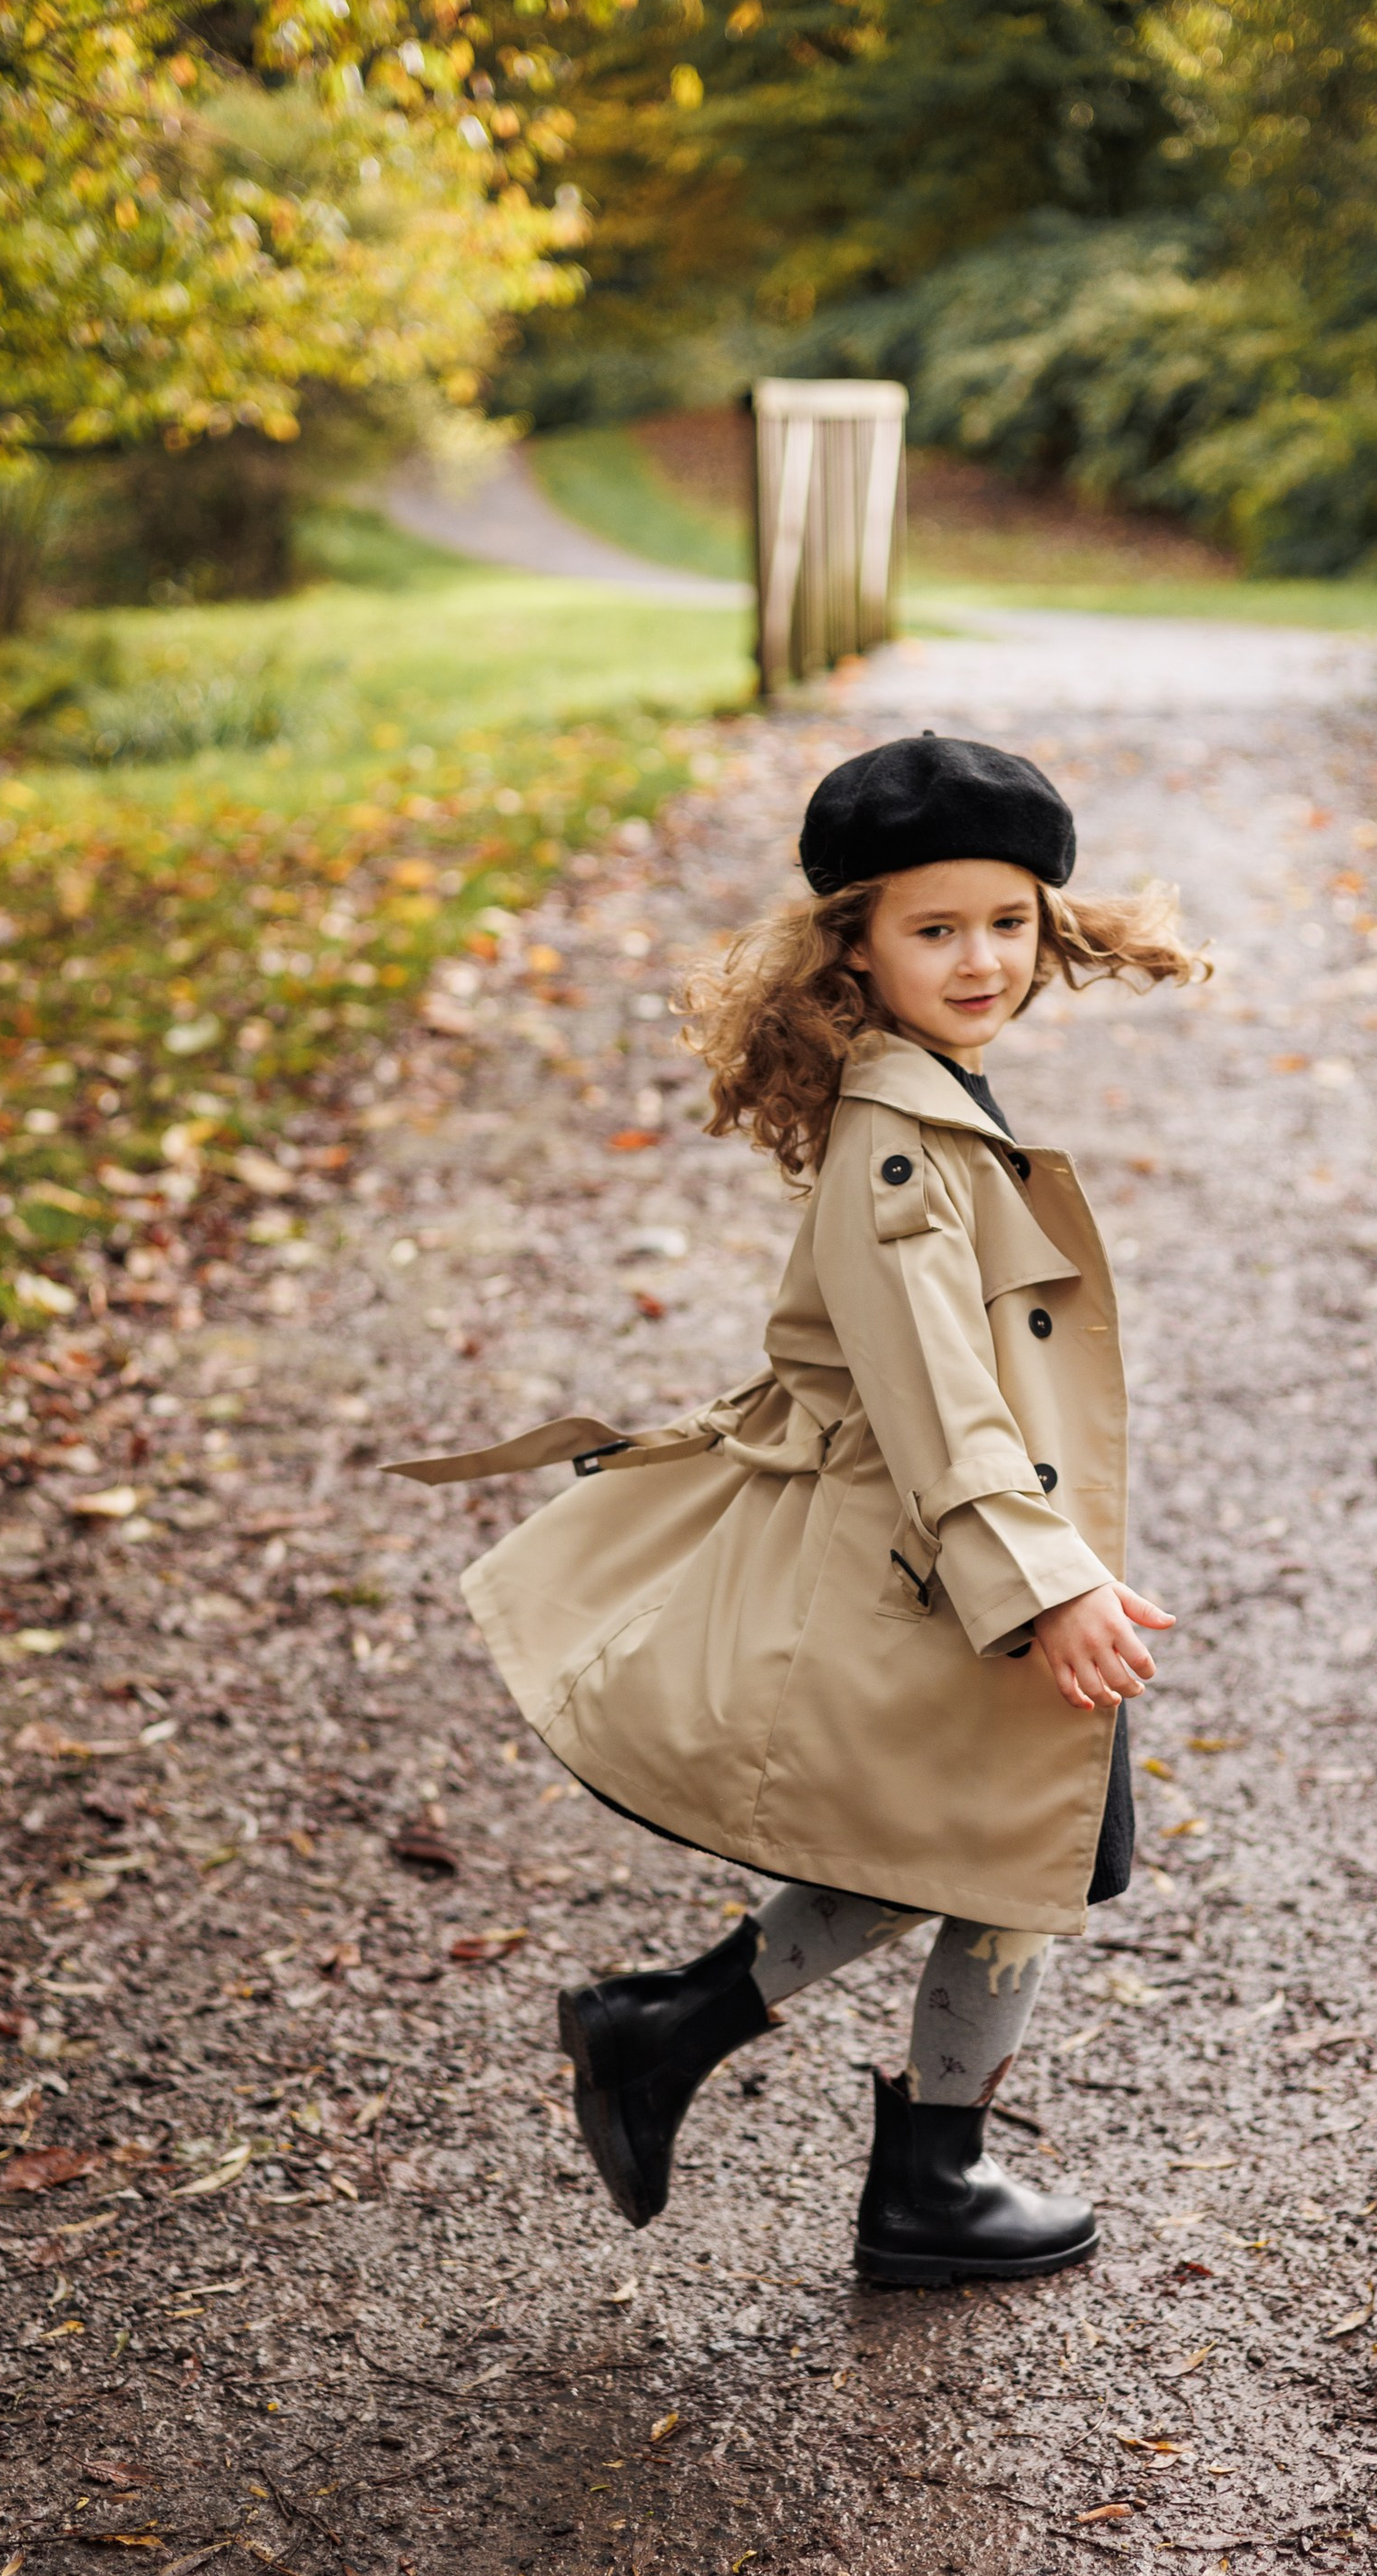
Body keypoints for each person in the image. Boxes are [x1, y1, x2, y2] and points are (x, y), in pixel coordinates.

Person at [389, 733, 1204, 2285]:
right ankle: (911, 2173)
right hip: (937, 1561)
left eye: (1008, 923)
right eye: (934, 928)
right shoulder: (900, 1136)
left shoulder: (940, 1097)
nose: (980, 959)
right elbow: (933, 1390)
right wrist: (1042, 1581)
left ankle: (700, 2048)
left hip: (959, 1551)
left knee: (998, 1841)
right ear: (856, 946)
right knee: (1009, 1843)